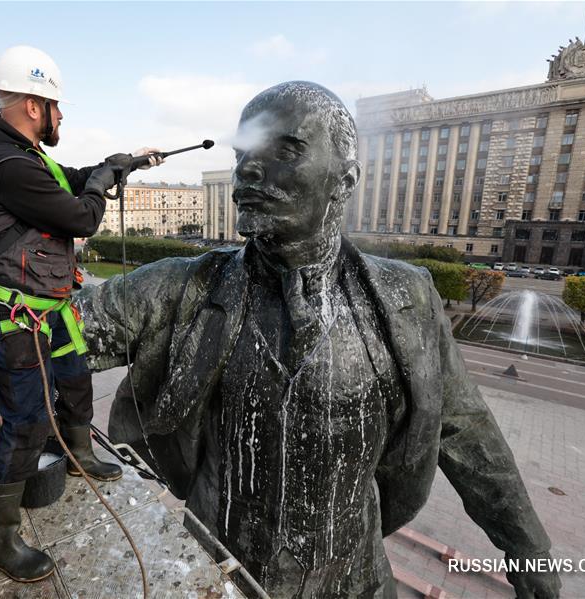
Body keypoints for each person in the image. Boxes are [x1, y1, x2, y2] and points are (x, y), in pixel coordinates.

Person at [76, 82, 560, 598]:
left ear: (344, 179)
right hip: (219, 576)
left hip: (357, 581)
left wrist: (528, 550)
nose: (249, 170)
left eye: (285, 150)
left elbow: (464, 428)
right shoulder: (183, 287)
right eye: (244, 154)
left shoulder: (405, 298)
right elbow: (51, 332)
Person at [0, 45, 162, 583]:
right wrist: (100, 185)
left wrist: (121, 162)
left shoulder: (25, 158)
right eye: (57, 106)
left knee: (75, 380)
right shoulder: (4, 165)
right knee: (25, 422)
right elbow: (80, 215)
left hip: (51, 310)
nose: (61, 116)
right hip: (18, 317)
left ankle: (79, 455)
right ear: (34, 106)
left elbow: (70, 177)